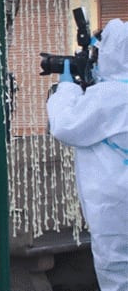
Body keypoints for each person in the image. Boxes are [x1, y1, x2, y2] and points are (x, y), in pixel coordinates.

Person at [47, 18, 128, 291]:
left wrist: (67, 87)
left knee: (117, 275)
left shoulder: (108, 96)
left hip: (115, 208)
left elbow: (64, 125)